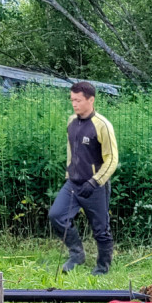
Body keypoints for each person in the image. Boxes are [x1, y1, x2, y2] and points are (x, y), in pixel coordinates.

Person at [49, 81, 119, 275]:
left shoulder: (102, 125)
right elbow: (72, 152)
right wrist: (69, 174)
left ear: (91, 100)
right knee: (56, 216)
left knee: (100, 229)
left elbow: (112, 159)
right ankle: (76, 255)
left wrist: (95, 181)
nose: (74, 104)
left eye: (78, 100)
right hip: (73, 183)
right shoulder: (72, 122)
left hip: (95, 185)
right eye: (72, 100)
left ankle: (102, 267)